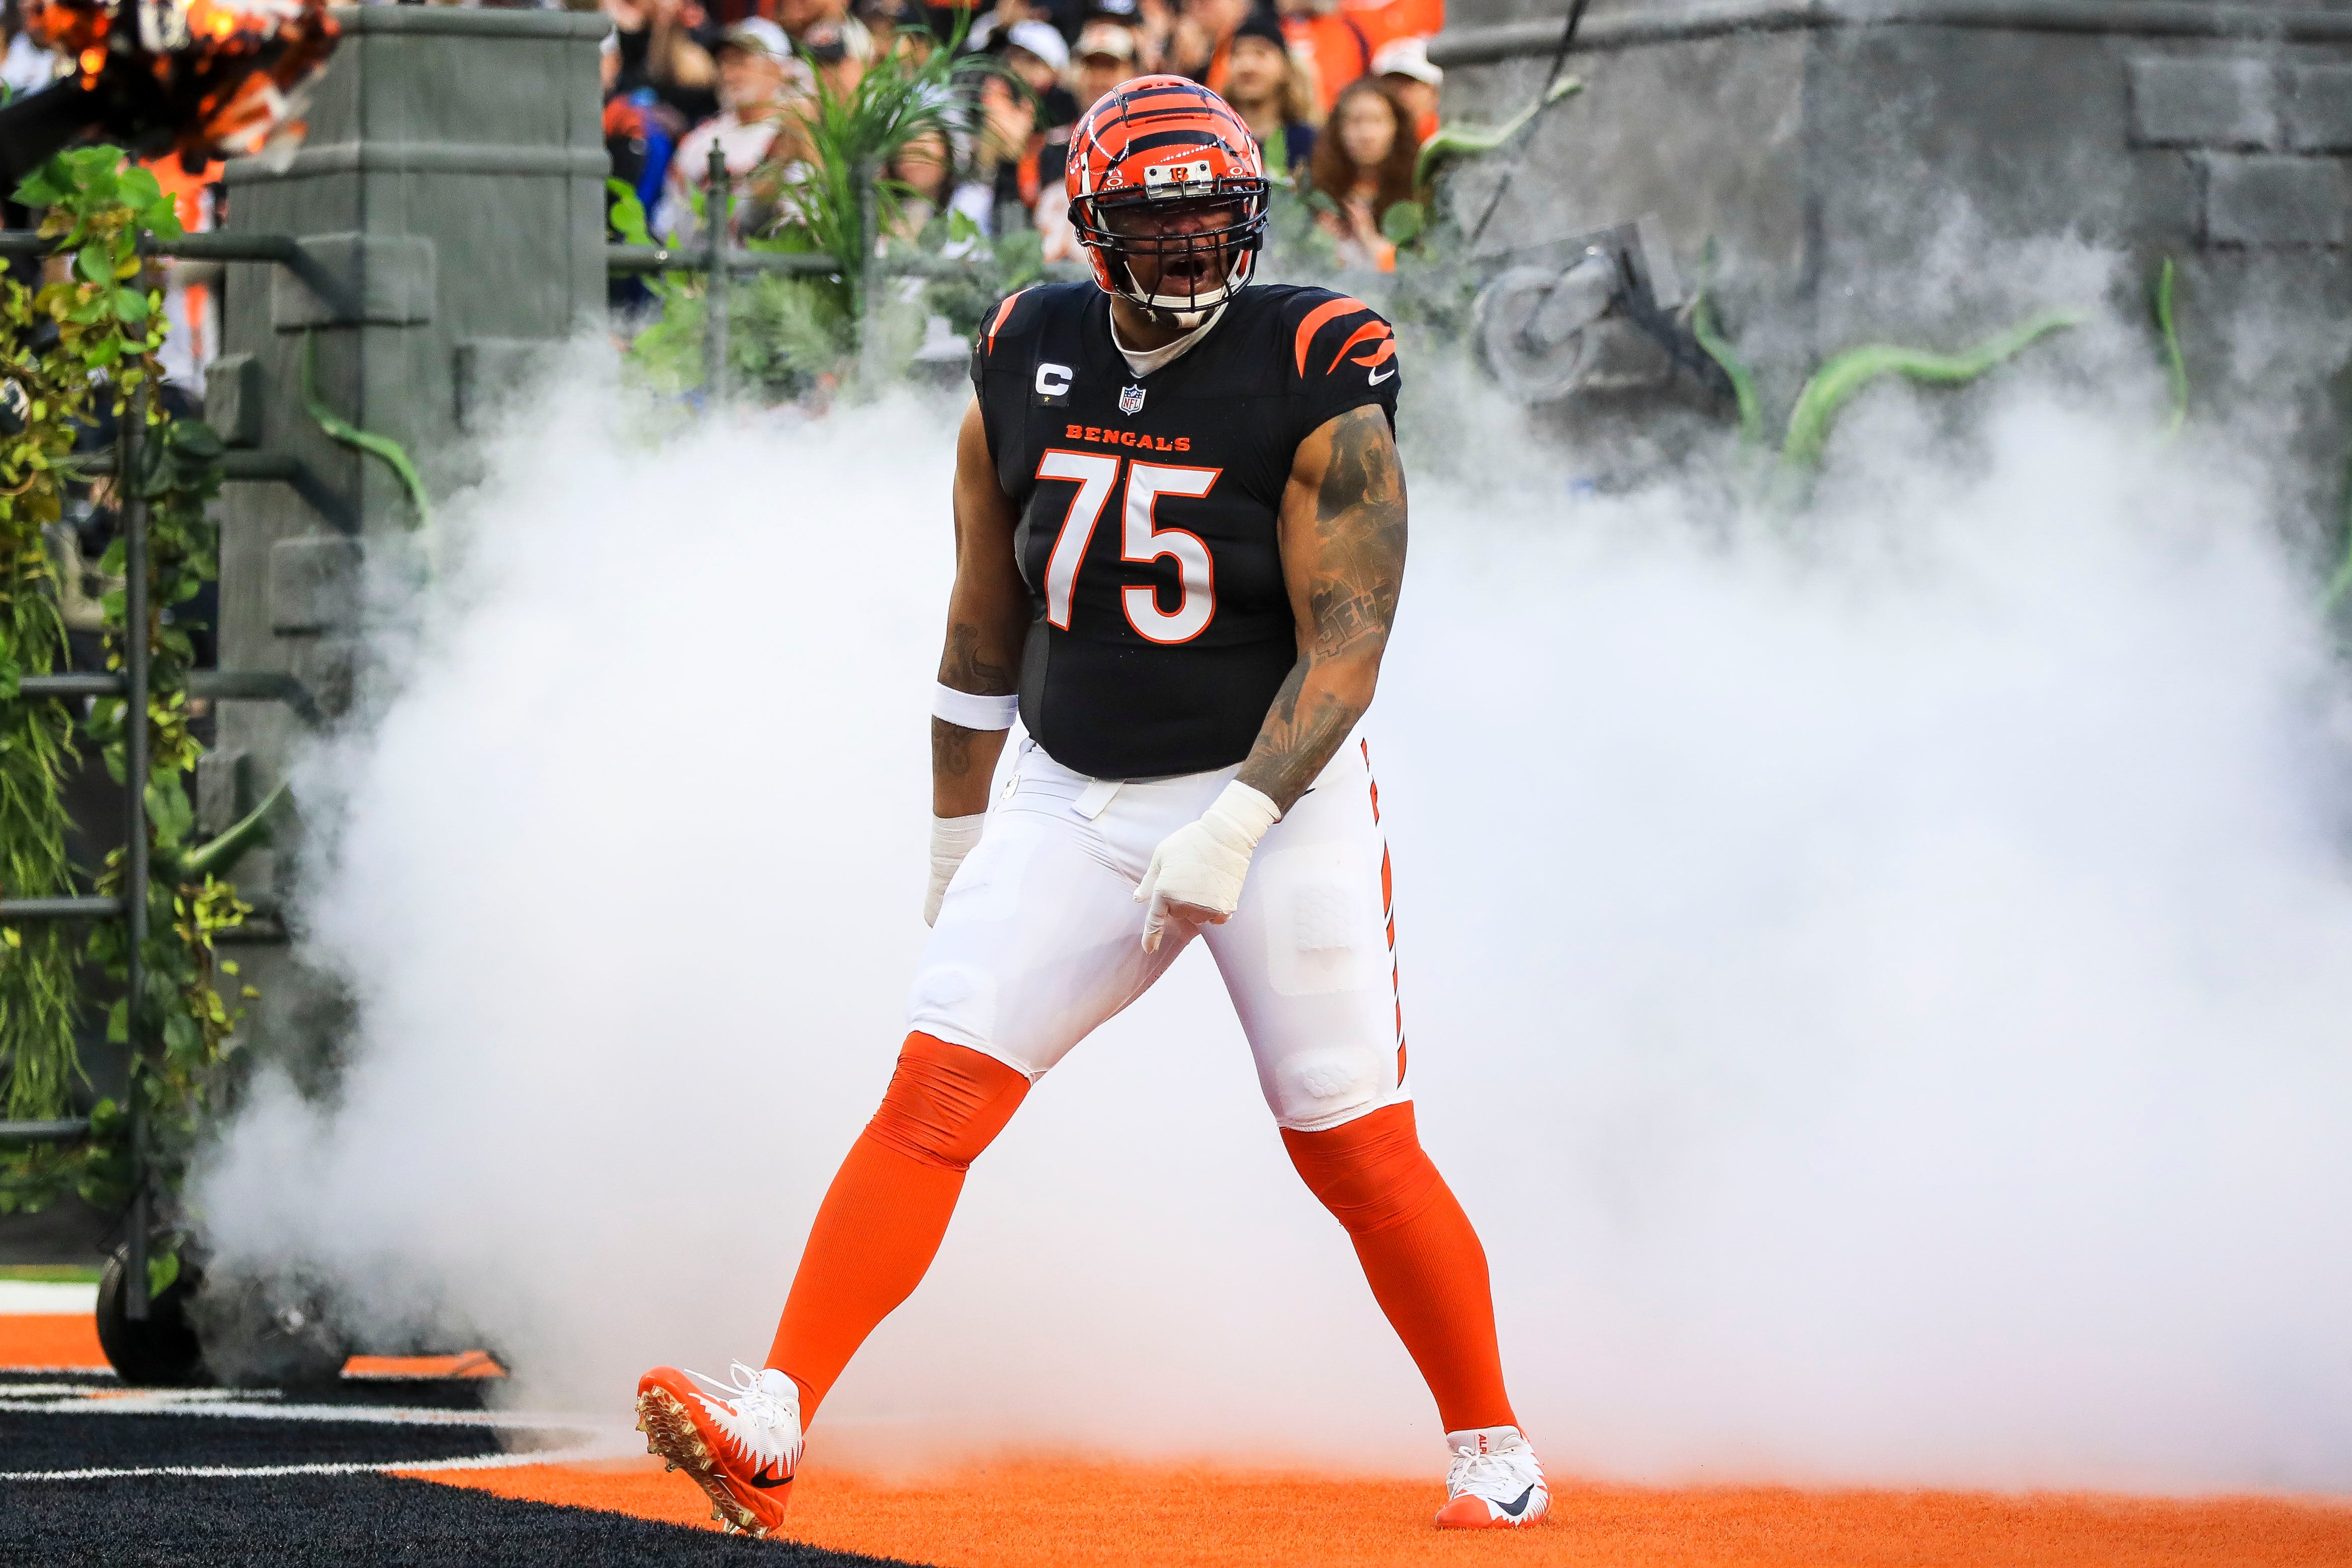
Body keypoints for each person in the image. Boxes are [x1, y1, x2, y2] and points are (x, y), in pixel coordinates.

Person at [635, 73, 1548, 1541]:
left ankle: (1490, 1438)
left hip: (1275, 790)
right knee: (935, 1086)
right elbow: (981, 623)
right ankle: (773, 1409)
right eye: (1156, 227)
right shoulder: (1025, 344)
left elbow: (1350, 641)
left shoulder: (1315, 355)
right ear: (1090, 227)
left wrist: (1241, 818)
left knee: (1349, 1137)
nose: (1189, 257)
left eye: (1209, 227)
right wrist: (954, 825)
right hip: (1069, 791)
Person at [656, 19, 816, 242]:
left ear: (777, 69)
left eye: (743, 62)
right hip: (705, 270)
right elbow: (669, 227)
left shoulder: (797, 134)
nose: (731, 74)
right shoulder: (699, 142)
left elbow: (804, 223)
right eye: (725, 62)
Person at [1308, 75, 1415, 270]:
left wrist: (1373, 243)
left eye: (1377, 121)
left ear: (1397, 128)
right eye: (1356, 121)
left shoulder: (1416, 191)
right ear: (1338, 130)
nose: (1367, 135)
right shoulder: (1316, 191)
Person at [1220, 8, 1314, 185]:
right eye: (1238, 55)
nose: (1247, 66)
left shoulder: (1309, 143)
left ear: (1285, 67)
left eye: (1260, 54)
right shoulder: (1215, 141)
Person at [1371, 32, 1438, 144]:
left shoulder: (1442, 137)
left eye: (1409, 84)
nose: (1398, 93)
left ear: (1434, 93)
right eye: (1390, 84)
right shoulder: (1370, 141)